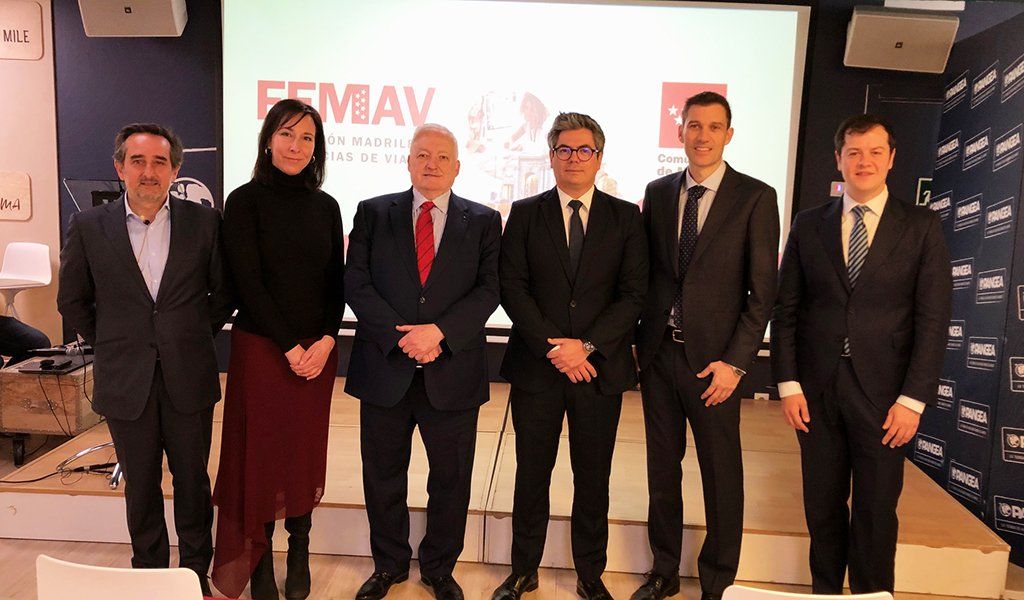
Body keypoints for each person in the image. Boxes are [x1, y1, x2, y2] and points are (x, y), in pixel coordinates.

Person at [771, 114, 952, 595]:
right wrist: (788, 384)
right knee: (822, 507)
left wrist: (913, 400)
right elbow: (786, 311)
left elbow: (933, 320)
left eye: (874, 152)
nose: (864, 162)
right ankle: (826, 594)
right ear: (838, 159)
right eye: (853, 152)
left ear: (891, 159)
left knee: (875, 511)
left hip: (887, 397)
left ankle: (873, 595)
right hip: (816, 392)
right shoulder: (809, 224)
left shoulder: (922, 226)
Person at [57, 123, 232, 595]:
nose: (149, 172)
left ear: (176, 169)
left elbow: (223, 293)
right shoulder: (89, 227)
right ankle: (150, 579)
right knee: (140, 485)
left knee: (193, 482)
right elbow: (72, 300)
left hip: (188, 375)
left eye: (159, 162)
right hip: (125, 379)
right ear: (120, 168)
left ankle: (194, 577)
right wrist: (115, 342)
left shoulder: (205, 223)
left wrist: (189, 336)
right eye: (138, 161)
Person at [492, 112, 648, 600]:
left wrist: (587, 346)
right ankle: (523, 570)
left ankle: (590, 573)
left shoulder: (626, 217)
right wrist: (555, 347)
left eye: (584, 150)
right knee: (531, 474)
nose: (574, 158)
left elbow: (633, 294)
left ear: (599, 158)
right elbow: (512, 287)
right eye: (564, 149)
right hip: (538, 368)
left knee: (593, 477)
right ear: (551, 155)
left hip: (598, 370)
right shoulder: (525, 213)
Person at [633, 92, 779, 600]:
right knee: (661, 471)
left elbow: (763, 293)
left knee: (720, 476)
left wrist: (735, 364)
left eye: (714, 127)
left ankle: (717, 581)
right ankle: (664, 571)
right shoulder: (657, 192)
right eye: (694, 125)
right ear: (680, 132)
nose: (703, 136)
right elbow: (648, 276)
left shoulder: (756, 197)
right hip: (659, 356)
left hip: (716, 366)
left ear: (729, 135)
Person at [345, 123, 501, 600]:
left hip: (452, 371)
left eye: (442, 157)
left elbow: (489, 289)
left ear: (457, 167)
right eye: (422, 155)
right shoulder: (373, 213)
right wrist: (402, 339)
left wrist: (439, 333)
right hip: (384, 370)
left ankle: (439, 568)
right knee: (382, 476)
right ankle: (388, 566)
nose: (432, 164)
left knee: (451, 480)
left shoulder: (484, 220)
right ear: (409, 161)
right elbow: (357, 283)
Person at [210, 99, 345, 600]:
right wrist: (289, 347)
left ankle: (300, 548)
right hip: (263, 351)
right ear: (268, 140)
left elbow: (336, 284)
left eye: (307, 138)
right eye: (287, 134)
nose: (296, 146)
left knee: (303, 455)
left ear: (317, 148)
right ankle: (260, 559)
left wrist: (327, 339)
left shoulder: (327, 206)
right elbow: (247, 282)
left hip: (317, 355)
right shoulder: (244, 201)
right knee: (261, 458)